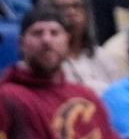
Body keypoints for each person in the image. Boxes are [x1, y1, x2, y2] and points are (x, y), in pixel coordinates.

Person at [0, 8, 118, 138]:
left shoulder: (86, 95)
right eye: (37, 33)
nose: (46, 40)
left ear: (67, 40)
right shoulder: (7, 97)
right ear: (21, 43)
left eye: (54, 33)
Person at [37, 0, 124, 95]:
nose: (71, 12)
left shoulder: (103, 57)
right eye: (62, 8)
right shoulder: (44, 62)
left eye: (77, 6)